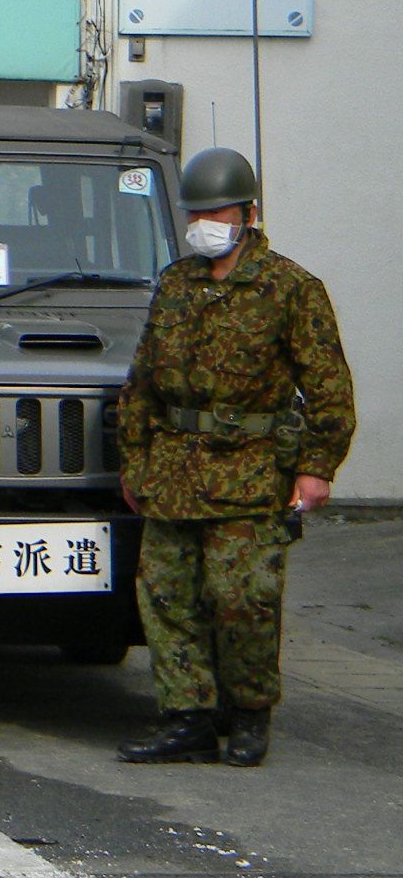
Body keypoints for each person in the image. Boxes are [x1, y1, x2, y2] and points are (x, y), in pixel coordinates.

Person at [115, 147, 354, 767]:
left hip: (249, 472)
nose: (205, 224)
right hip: (172, 470)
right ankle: (186, 716)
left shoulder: (291, 288)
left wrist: (316, 466)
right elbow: (142, 381)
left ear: (248, 213)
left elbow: (328, 385)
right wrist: (134, 461)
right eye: (197, 213)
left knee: (243, 599)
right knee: (167, 599)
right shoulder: (176, 282)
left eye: (217, 212)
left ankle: (248, 713)